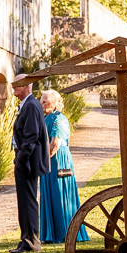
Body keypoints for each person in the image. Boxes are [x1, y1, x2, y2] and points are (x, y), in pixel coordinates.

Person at [39, 90, 89, 244]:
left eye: (44, 102)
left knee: (59, 193)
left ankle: (65, 232)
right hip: (48, 160)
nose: (41, 104)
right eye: (41, 101)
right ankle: (50, 234)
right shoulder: (46, 118)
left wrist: (42, 160)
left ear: (55, 104)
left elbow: (55, 144)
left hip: (57, 160)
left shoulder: (59, 119)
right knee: (49, 192)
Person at [10, 74, 50, 253]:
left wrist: (21, 159)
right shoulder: (28, 104)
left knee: (28, 201)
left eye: (16, 85)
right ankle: (26, 239)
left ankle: (31, 241)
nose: (13, 89)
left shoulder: (32, 105)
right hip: (24, 160)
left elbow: (31, 136)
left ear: (26, 86)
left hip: (27, 162)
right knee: (24, 201)